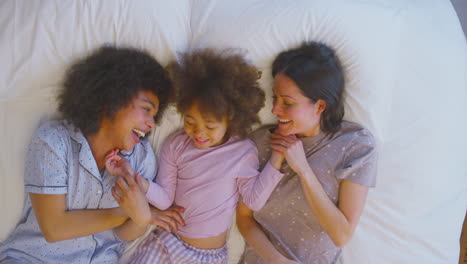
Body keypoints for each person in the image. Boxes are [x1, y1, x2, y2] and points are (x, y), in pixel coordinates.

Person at [0, 46, 184, 263]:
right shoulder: (54, 142)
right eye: (146, 109)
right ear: (111, 100)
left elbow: (123, 234)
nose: (152, 124)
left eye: (155, 116)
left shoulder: (142, 159)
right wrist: (130, 212)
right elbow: (54, 228)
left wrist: (140, 219)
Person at [104, 49, 284, 264]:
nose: (199, 133)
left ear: (231, 119)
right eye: (190, 122)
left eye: (209, 126)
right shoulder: (176, 145)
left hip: (209, 257)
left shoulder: (243, 152)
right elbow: (164, 200)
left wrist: (277, 159)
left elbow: (254, 200)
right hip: (168, 243)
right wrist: (132, 175)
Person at [236, 42, 378, 264]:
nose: (275, 110)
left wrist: (303, 169)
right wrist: (276, 260)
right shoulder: (260, 142)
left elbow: (341, 235)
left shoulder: (355, 145)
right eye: (275, 98)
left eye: (287, 103)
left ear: (320, 106)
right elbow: (244, 218)